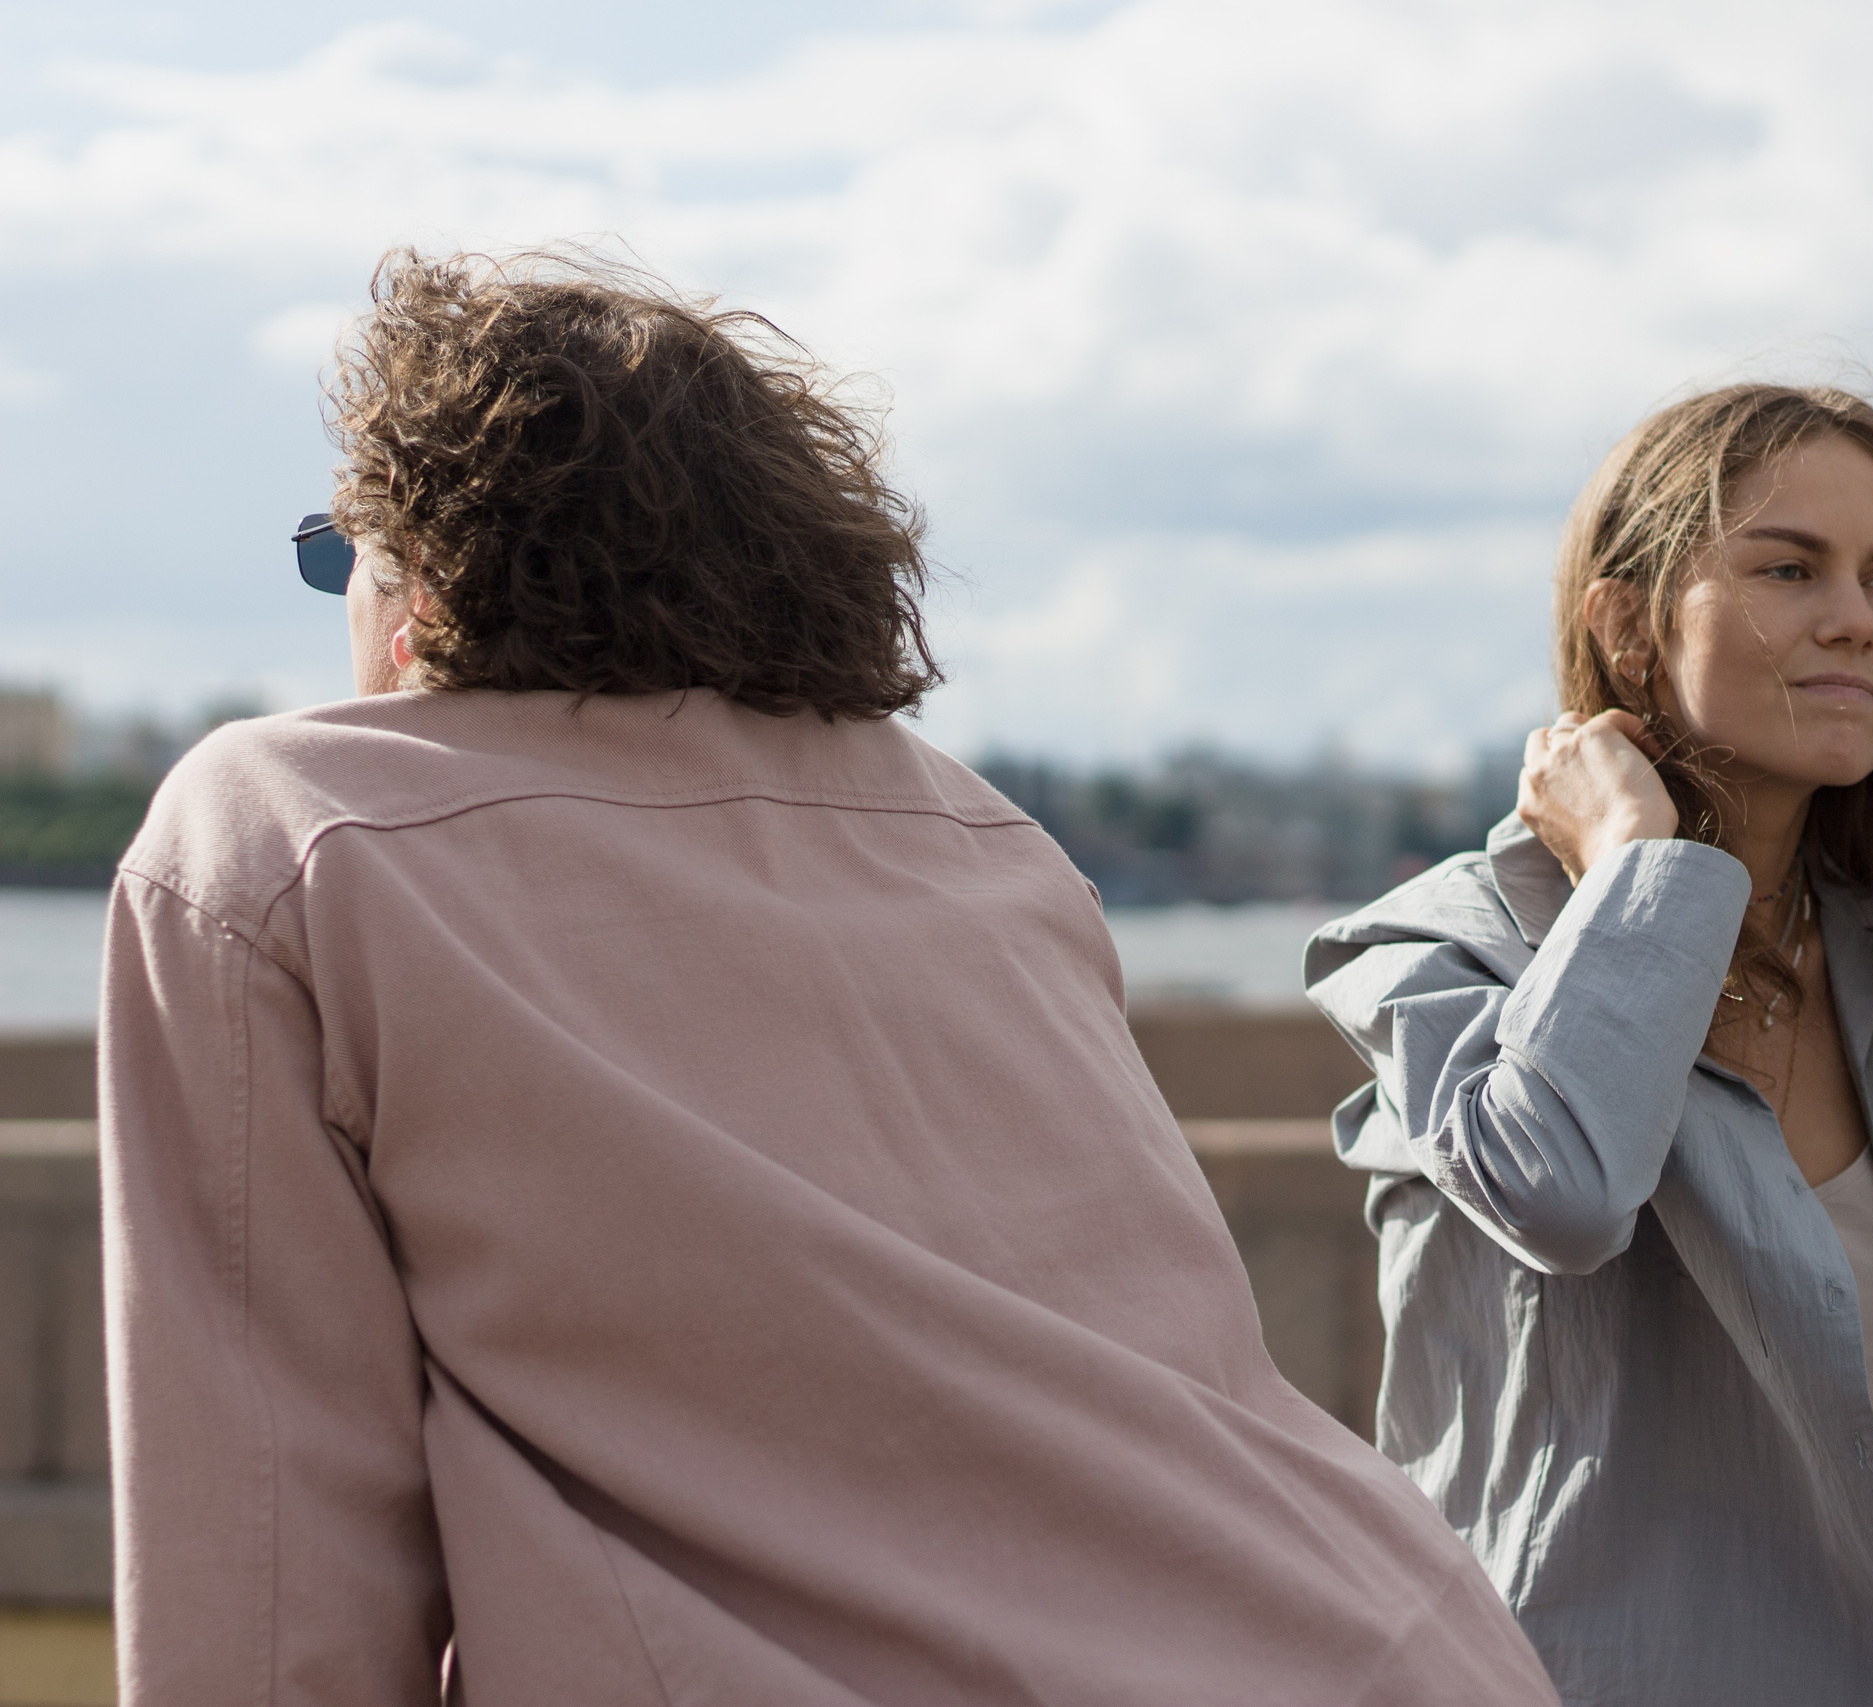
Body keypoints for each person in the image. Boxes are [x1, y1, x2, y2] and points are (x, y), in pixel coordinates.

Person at [99, 250, 1560, 1707]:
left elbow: (271, 1578)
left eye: (335, 553)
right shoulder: (982, 834)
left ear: (417, 584)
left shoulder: (292, 835)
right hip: (1391, 1647)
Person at [1305, 384, 1873, 1705]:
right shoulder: (1447, 947)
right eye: (1788, 567)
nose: (1855, 620)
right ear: (1629, 624)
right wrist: (1641, 871)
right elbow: (1562, 1192)